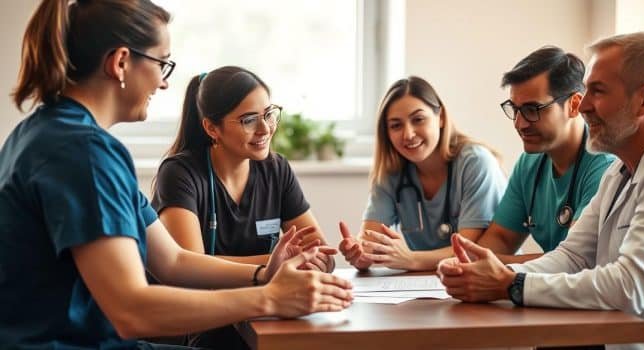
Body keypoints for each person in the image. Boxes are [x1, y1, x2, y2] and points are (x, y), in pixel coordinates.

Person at [0, 1, 352, 349]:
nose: (164, 84)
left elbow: (172, 261)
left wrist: (264, 274)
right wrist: (270, 298)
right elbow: (131, 311)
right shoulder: (84, 153)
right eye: (162, 64)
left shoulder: (45, 134)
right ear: (121, 62)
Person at [438, 31, 644, 350]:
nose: (583, 105)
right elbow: (574, 256)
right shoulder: (622, 167)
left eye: (596, 91)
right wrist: (495, 276)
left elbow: (630, 287)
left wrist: (512, 284)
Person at [151, 66, 336, 349]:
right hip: (194, 327)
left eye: (268, 114)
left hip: (259, 313)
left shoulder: (276, 169)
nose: (265, 128)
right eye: (249, 120)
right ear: (212, 128)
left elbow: (319, 250)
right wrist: (275, 262)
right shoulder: (180, 173)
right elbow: (190, 268)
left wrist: (316, 260)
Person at [339, 76, 507, 271]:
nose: (408, 134)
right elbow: (369, 243)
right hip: (424, 285)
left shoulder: (476, 163)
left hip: (486, 281)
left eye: (418, 119)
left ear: (441, 117)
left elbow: (470, 251)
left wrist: (412, 259)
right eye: (396, 125)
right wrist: (360, 255)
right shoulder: (391, 173)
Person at [477, 46, 613, 263]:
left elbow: (573, 261)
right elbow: (500, 240)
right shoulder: (529, 163)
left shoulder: (605, 165)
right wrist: (470, 263)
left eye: (533, 110)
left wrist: (493, 264)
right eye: (515, 109)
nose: (519, 124)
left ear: (574, 105)